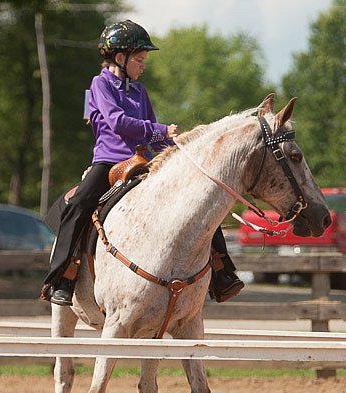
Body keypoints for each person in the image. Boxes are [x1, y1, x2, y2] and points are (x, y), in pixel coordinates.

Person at [40, 20, 244, 306]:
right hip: (110, 162)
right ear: (120, 58)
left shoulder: (139, 91)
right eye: (139, 59)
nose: (143, 65)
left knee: (198, 201)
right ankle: (61, 278)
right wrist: (161, 130)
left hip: (143, 162)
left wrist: (178, 147)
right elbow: (118, 122)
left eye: (144, 60)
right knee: (79, 205)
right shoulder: (100, 84)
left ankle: (222, 273)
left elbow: (151, 134)